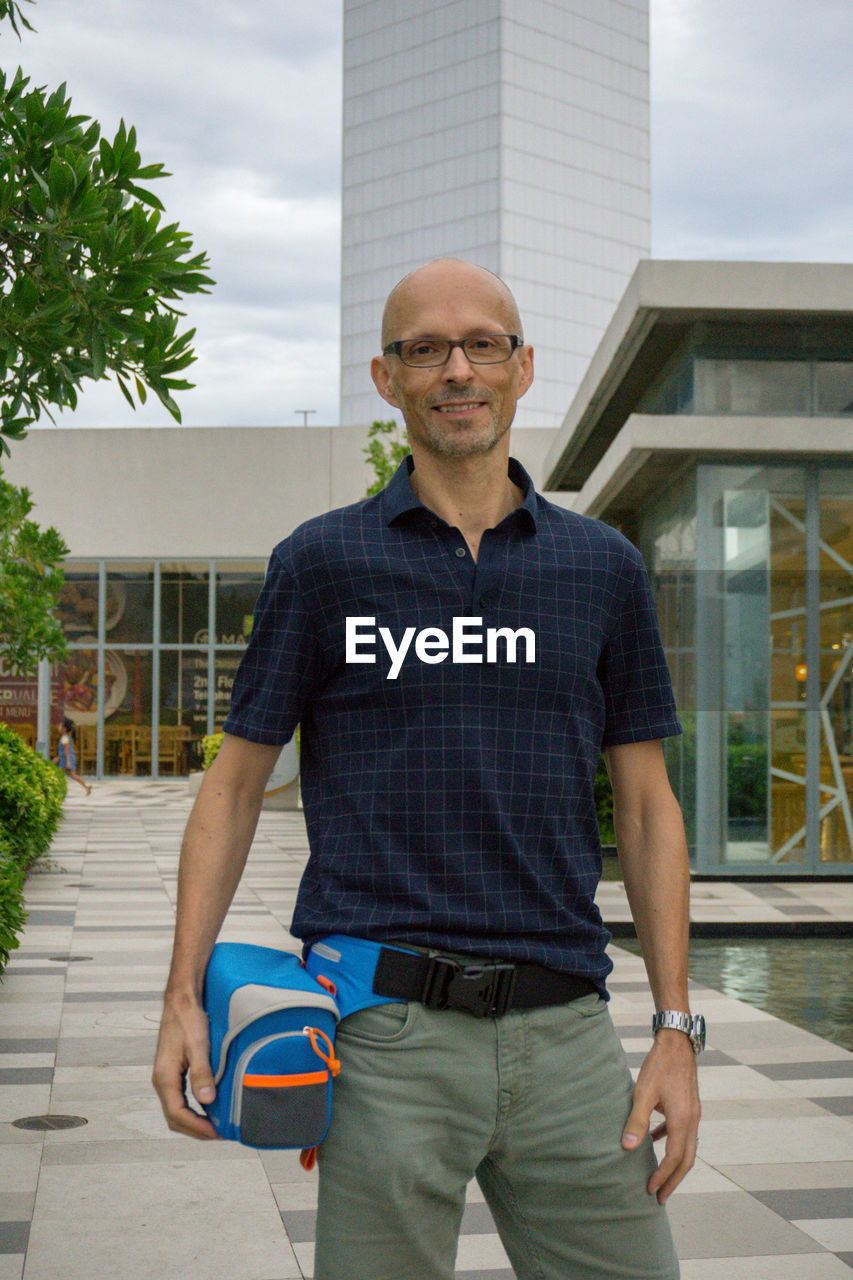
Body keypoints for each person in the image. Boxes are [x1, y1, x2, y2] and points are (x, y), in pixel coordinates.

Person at [153, 258, 701, 1280]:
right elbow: (231, 788)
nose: (457, 368)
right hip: (381, 1039)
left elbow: (646, 803)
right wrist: (181, 993)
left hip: (569, 1037)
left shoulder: (601, 567)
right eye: (425, 349)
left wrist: (674, 1028)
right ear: (386, 377)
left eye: (482, 343)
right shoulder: (322, 563)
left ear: (521, 366)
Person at [54, 716, 92, 795]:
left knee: (59, 775)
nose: (58, 727)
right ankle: (86, 786)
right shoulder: (66, 737)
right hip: (67, 758)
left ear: (64, 729)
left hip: (66, 759)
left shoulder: (64, 738)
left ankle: (59, 791)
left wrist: (67, 761)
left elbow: (66, 750)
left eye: (60, 726)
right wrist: (58, 757)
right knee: (72, 775)